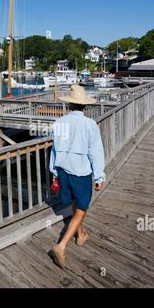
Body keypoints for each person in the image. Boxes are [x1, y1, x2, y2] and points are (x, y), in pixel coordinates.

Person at [49, 85, 105, 269]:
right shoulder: (89, 125)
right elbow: (95, 152)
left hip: (64, 171)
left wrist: (54, 172)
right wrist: (99, 177)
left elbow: (54, 151)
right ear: (84, 106)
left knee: (74, 201)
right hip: (81, 173)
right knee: (82, 208)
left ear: (70, 105)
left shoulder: (59, 123)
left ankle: (80, 236)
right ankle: (61, 245)